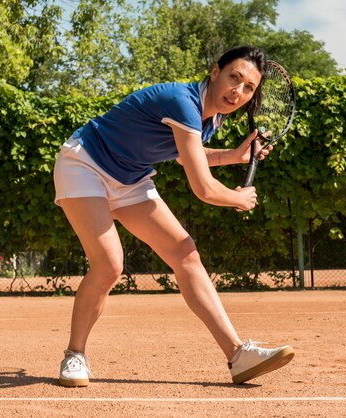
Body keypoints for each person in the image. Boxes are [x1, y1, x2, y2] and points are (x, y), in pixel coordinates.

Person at [53, 45, 294, 387]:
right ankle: (74, 355)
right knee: (109, 263)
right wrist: (238, 198)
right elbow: (204, 188)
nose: (237, 91)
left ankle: (238, 356)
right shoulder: (183, 102)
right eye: (234, 78)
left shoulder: (211, 119)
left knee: (186, 254)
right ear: (215, 72)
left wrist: (234, 156)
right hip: (85, 163)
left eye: (248, 87)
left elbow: (186, 156)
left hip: (130, 177)